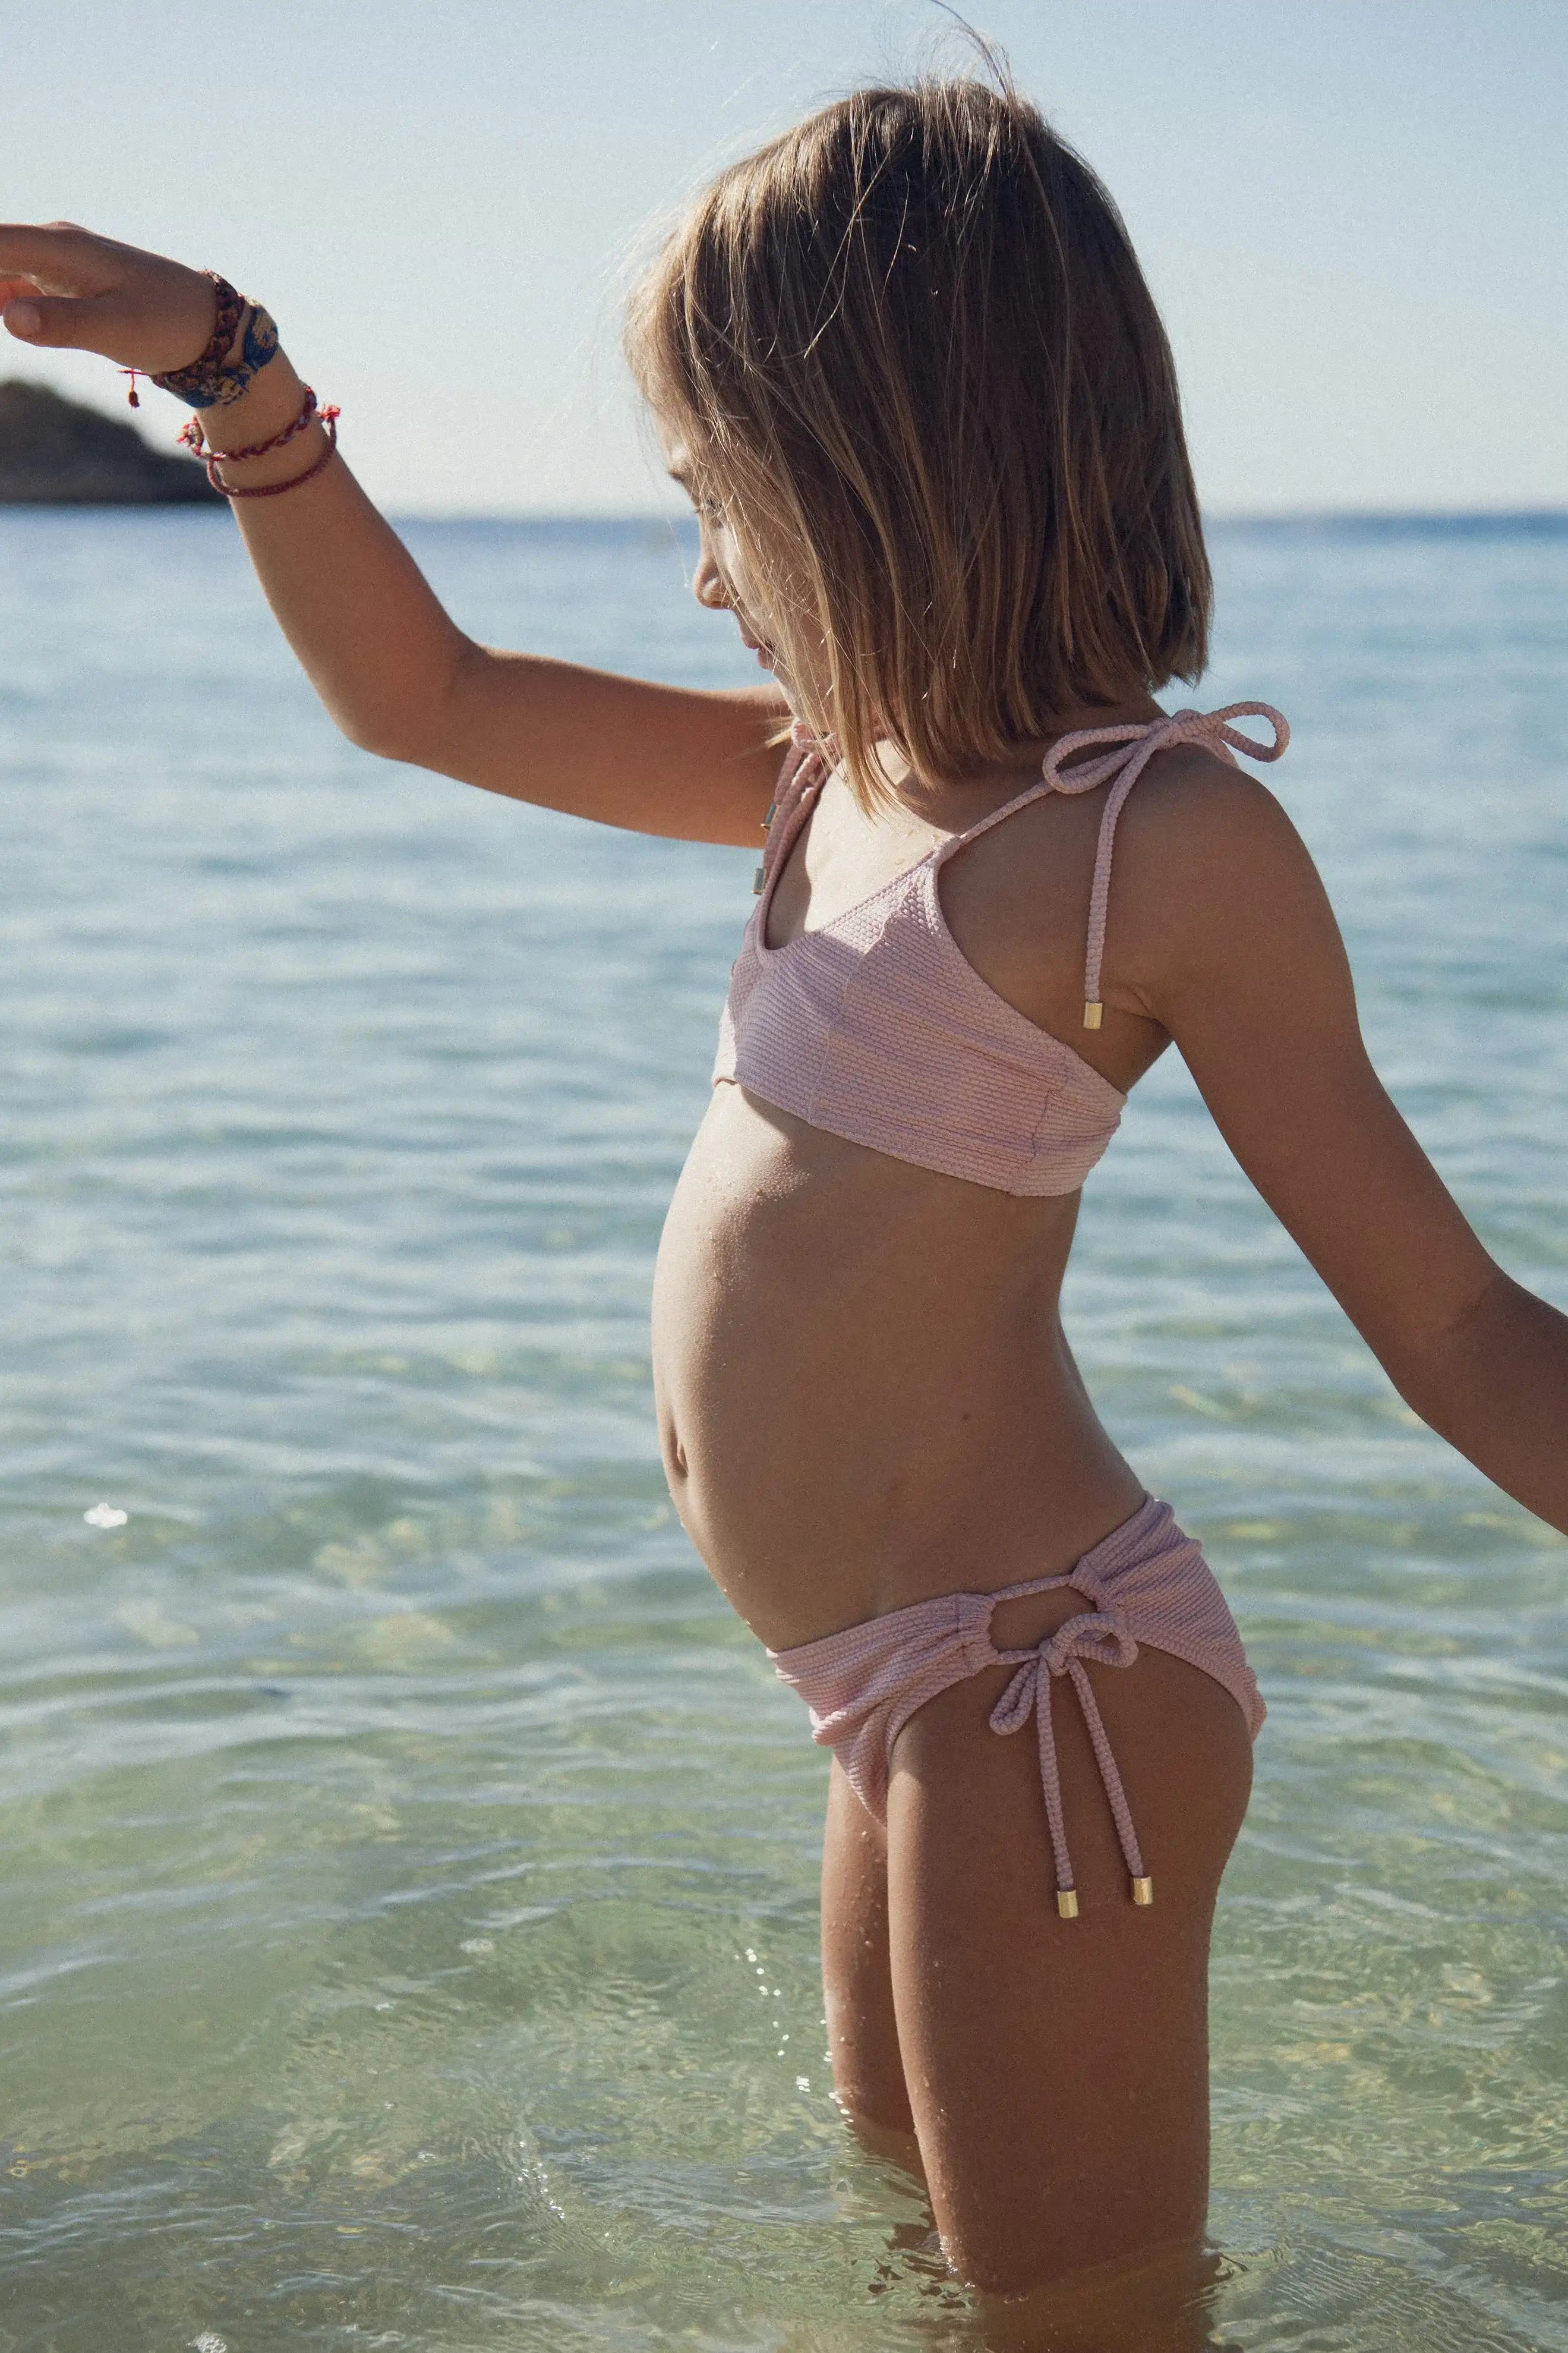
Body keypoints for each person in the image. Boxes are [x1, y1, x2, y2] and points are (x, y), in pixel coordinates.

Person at [5, 68, 1566, 2324]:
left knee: (1077, 2317)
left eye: (713, 496)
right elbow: (418, 696)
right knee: (920, 2258)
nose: (698, 562)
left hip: (1049, 1691)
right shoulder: (829, 779)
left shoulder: (1147, 847)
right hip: (895, 1680)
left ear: (874, 474)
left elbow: (1452, 1323)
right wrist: (229, 369)